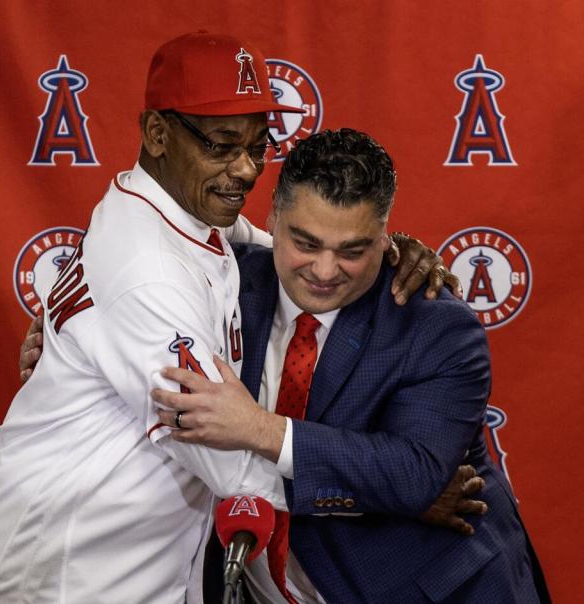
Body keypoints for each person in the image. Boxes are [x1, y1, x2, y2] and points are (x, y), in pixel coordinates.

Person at [0, 32, 462, 604]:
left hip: (130, 566)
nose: (244, 170)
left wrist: (388, 252)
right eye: (221, 145)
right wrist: (394, 494)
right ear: (158, 134)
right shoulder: (150, 270)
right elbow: (229, 464)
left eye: (257, 144)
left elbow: (292, 254)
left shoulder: (185, 212)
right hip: (56, 576)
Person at [150, 129, 550, 603]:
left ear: (384, 238)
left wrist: (258, 429)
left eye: (352, 251)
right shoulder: (219, 282)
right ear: (273, 215)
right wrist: (50, 340)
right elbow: (119, 272)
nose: (324, 270)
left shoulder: (437, 326)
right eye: (305, 242)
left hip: (427, 591)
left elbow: (414, 475)